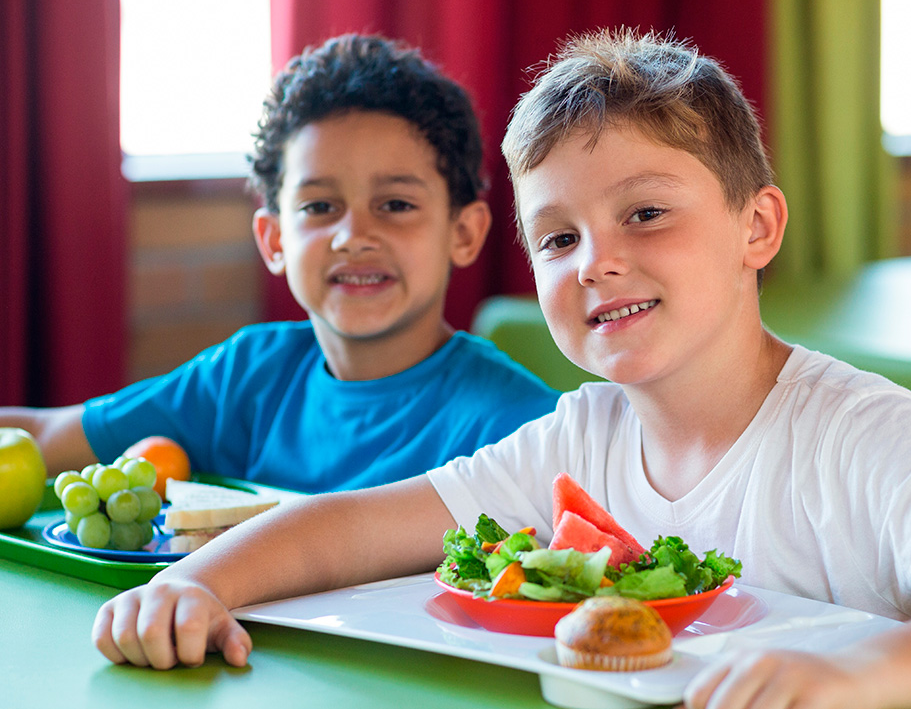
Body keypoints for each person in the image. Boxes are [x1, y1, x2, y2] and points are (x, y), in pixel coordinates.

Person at [92, 29, 911, 709]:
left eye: (645, 214)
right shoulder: (582, 434)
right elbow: (356, 527)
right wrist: (198, 585)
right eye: (559, 240)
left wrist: (861, 676)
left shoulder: (858, 431)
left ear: (756, 226)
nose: (599, 264)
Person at [1, 34, 558, 493]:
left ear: (464, 233)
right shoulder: (245, 376)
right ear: (273, 240)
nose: (353, 236)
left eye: (395, 205)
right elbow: (47, 439)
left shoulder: (525, 427)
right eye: (319, 206)